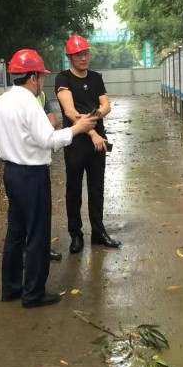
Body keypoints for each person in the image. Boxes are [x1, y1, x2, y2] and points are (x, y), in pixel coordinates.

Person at [0, 50, 97, 308]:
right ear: (33, 77)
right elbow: (48, 140)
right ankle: (33, 293)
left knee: (16, 232)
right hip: (31, 175)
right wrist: (77, 128)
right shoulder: (30, 104)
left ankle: (11, 287)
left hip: (11, 172)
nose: (42, 82)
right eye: (41, 77)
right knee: (37, 233)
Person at [55, 35, 120, 254]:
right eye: (78, 55)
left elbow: (106, 106)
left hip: (98, 141)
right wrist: (92, 132)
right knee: (74, 189)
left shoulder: (95, 78)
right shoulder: (63, 78)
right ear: (70, 57)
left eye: (86, 54)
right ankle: (76, 235)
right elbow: (70, 112)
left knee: (97, 188)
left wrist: (93, 116)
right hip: (76, 142)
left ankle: (98, 232)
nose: (83, 58)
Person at [37, 89, 63, 263]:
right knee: (27, 213)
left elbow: (52, 122)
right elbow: (48, 129)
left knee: (42, 211)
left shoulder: (42, 95)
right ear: (33, 78)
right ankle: (29, 251)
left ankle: (42, 248)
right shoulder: (18, 101)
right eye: (40, 77)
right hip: (27, 165)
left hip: (41, 161)